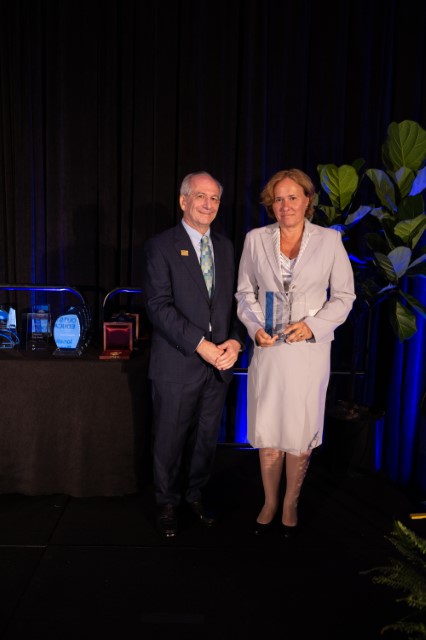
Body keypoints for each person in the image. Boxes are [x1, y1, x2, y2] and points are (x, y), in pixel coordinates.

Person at [235, 168, 355, 538]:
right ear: (270, 204)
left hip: (308, 351)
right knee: (270, 428)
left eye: (292, 197)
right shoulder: (255, 239)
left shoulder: (329, 241)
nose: (285, 205)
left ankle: (291, 502)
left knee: (300, 430)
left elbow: (344, 297)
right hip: (269, 349)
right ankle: (270, 501)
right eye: (278, 199)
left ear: (307, 200)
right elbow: (245, 293)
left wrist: (314, 326)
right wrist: (254, 327)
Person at [142, 171, 246, 539]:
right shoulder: (160, 246)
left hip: (219, 365)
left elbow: (235, 304)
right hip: (178, 362)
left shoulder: (227, 247)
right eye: (201, 196)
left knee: (205, 438)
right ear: (183, 201)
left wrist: (235, 342)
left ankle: (195, 495)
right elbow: (158, 306)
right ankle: (167, 502)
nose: (208, 204)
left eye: (215, 198)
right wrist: (201, 345)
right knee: (169, 438)